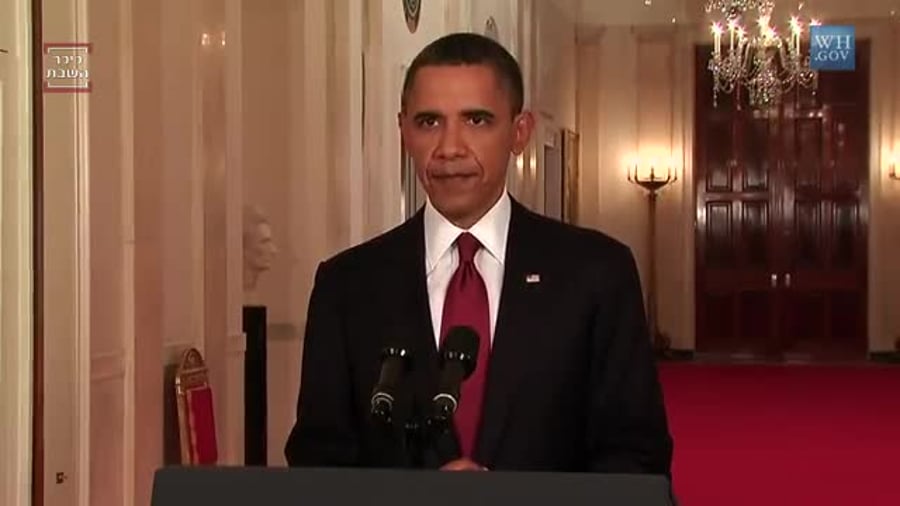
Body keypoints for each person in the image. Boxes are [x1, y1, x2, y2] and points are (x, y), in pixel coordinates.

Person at [285, 32, 673, 475]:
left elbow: (636, 459)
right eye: (429, 122)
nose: (450, 148)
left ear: (519, 132)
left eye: (476, 120)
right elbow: (317, 464)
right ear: (403, 131)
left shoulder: (597, 274)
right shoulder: (347, 285)